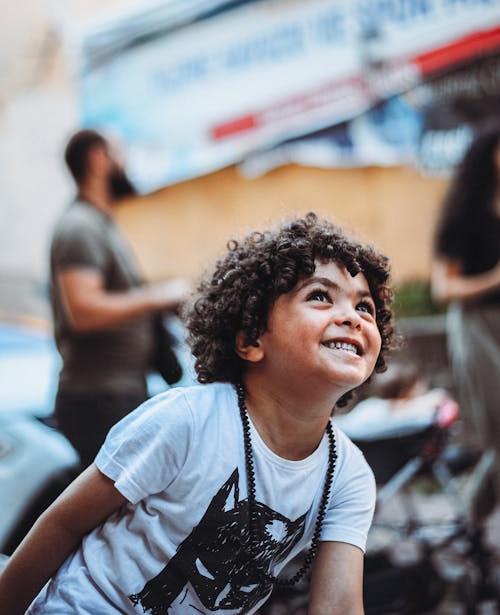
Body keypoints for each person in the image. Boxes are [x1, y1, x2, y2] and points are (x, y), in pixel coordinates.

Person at [0, 212, 393, 615]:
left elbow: (340, 606)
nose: (352, 317)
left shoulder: (348, 476)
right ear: (250, 339)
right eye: (320, 296)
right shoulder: (187, 421)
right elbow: (64, 522)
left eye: (365, 307)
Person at [49, 128, 190, 467]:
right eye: (120, 152)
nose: (126, 163)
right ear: (99, 159)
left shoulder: (99, 224)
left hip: (118, 394)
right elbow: (83, 311)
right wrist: (158, 296)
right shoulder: (79, 227)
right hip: (99, 399)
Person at [431, 125, 500, 522]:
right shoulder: (465, 215)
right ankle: (468, 520)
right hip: (479, 328)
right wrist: (494, 278)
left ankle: (466, 523)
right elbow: (443, 287)